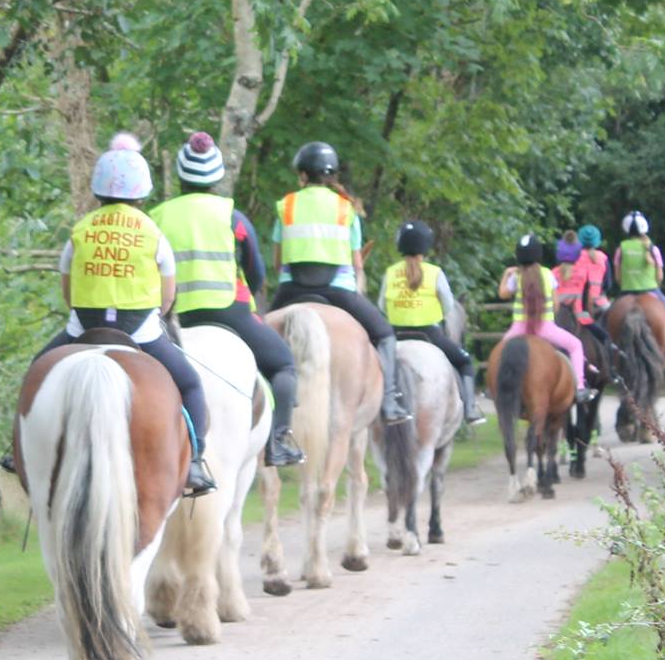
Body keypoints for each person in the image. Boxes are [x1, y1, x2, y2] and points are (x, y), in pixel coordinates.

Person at [36, 134, 217, 497]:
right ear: (142, 191)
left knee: (36, 373)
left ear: (98, 189)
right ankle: (195, 463)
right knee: (191, 384)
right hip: (141, 332)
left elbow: (68, 290)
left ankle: (20, 452)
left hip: (83, 328)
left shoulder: (80, 230)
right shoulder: (152, 232)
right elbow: (167, 297)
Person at [149, 132, 306, 467]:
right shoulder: (232, 217)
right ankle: (278, 442)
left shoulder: (157, 217)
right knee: (283, 365)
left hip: (172, 319)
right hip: (227, 312)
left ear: (180, 176)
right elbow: (257, 273)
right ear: (217, 177)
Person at [269, 141, 410, 424]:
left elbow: (277, 261)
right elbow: (357, 264)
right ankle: (390, 401)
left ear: (303, 176)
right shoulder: (346, 209)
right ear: (330, 176)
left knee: (256, 338)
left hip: (291, 289)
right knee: (384, 335)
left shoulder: (286, 205)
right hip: (338, 291)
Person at [379, 222, 483, 423]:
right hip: (430, 334)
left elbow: (382, 305)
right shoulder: (435, 273)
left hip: (395, 334)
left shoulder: (390, 272)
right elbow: (448, 305)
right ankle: (470, 410)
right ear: (426, 247)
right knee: (464, 361)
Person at [497, 233, 587, 388]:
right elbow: (555, 304)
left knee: (500, 353)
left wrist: (506, 274)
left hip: (519, 328)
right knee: (576, 345)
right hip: (545, 327)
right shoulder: (547, 274)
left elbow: (502, 293)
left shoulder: (516, 276)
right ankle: (579, 386)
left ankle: (495, 387)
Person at [613, 211, 665, 327]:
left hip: (627, 292)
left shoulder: (621, 249)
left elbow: (618, 278)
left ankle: (611, 345)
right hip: (651, 290)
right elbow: (660, 277)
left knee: (607, 319)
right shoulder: (653, 249)